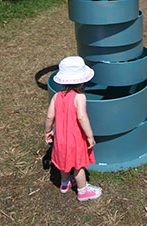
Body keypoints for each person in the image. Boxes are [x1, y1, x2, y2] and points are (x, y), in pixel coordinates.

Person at [45, 56, 102, 202]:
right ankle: (83, 191)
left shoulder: (57, 96)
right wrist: (90, 136)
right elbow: (82, 118)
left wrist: (48, 131)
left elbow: (49, 116)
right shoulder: (80, 97)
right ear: (82, 80)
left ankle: (64, 184)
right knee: (78, 166)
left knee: (64, 163)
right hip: (74, 139)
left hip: (60, 139)